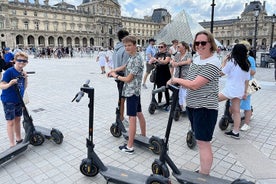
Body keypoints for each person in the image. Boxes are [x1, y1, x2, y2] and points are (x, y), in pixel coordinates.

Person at [167, 30, 221, 175]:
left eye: (203, 42)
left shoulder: (213, 62)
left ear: (211, 44)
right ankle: (203, 171)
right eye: (197, 43)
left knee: (203, 143)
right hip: (193, 106)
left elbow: (194, 84)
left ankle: (204, 176)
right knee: (200, 141)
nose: (199, 45)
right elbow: (189, 81)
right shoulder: (197, 59)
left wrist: (175, 80)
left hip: (205, 108)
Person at [108, 35, 146, 154]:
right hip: (134, 91)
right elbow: (125, 66)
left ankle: (130, 146)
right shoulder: (132, 57)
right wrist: (113, 70)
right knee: (139, 113)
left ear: (135, 45)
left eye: (129, 45)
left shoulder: (137, 59)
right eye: (125, 46)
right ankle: (143, 135)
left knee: (132, 117)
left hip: (131, 92)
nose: (127, 48)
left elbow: (129, 78)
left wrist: (116, 76)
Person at [219, 44, 251, 139]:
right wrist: (245, 92)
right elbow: (247, 80)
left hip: (230, 90)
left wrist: (224, 60)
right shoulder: (247, 64)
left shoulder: (233, 62)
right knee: (236, 111)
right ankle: (235, 132)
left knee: (211, 100)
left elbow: (221, 73)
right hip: (239, 91)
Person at [0, 51, 29, 147]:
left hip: (18, 100)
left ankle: (19, 138)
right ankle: (12, 144)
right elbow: (1, 85)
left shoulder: (22, 72)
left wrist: (26, 78)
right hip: (8, 100)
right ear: (14, 61)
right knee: (10, 122)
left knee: (18, 119)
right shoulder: (9, 71)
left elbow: (24, 87)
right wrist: (9, 84)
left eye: (24, 61)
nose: (22, 63)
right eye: (19, 60)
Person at [112, 29, 130, 126]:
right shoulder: (125, 49)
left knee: (121, 97)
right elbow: (126, 65)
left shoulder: (116, 48)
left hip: (117, 75)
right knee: (123, 98)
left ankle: (120, 116)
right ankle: (121, 118)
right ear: (124, 38)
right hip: (123, 76)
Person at [239, 41, 256, 131]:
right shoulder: (237, 58)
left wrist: (245, 66)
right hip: (239, 83)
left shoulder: (250, 59)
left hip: (249, 83)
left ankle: (246, 124)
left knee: (246, 104)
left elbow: (253, 72)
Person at [170, 41, 192, 111]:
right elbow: (172, 62)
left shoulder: (188, 54)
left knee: (184, 93)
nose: (177, 47)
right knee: (177, 92)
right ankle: (179, 107)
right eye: (177, 46)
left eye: (179, 46)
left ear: (184, 47)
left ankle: (186, 107)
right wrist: (173, 63)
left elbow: (188, 62)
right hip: (177, 75)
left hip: (185, 75)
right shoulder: (177, 54)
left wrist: (178, 63)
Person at [149, 42, 171, 111]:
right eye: (159, 47)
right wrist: (151, 61)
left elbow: (165, 62)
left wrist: (156, 60)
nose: (160, 48)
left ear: (165, 47)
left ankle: (167, 103)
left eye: (161, 47)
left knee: (166, 89)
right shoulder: (157, 54)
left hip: (165, 73)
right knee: (158, 89)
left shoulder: (167, 54)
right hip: (158, 73)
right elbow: (150, 62)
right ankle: (159, 102)